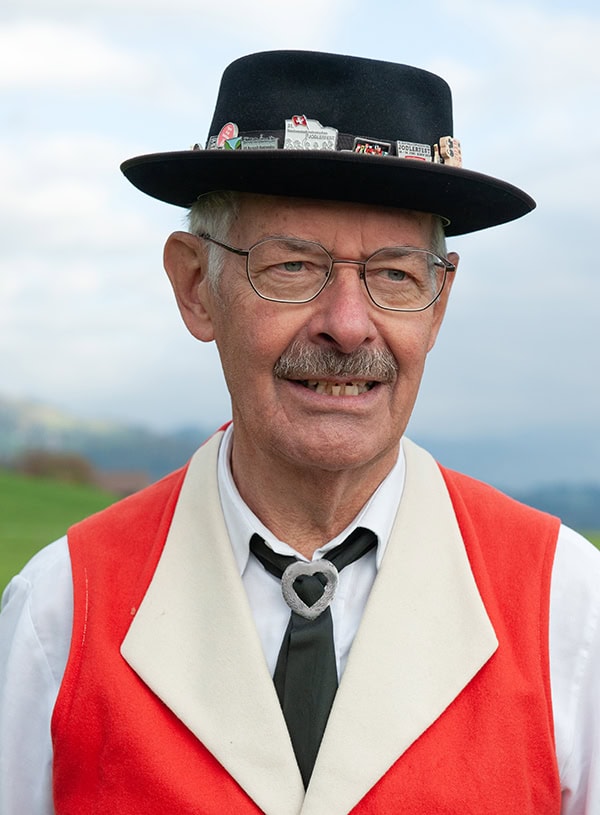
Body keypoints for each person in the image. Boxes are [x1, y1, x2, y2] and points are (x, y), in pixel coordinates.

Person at [1, 49, 599, 815]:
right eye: (292, 266)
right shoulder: (59, 613)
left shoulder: (569, 610)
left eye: (394, 275)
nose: (349, 327)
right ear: (195, 288)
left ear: (439, 304)